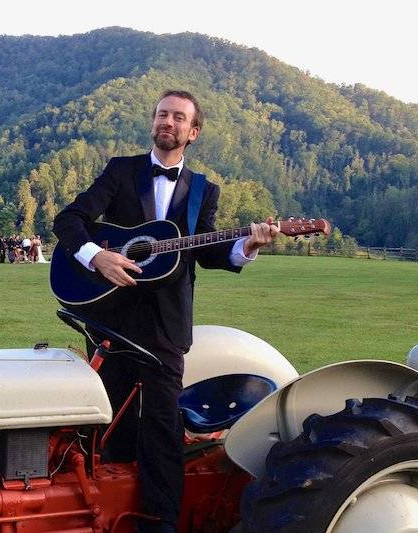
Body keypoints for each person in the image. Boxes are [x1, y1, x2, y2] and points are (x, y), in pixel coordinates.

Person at [53, 89, 278, 533]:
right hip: (109, 316)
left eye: (178, 117)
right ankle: (101, 513)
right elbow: (69, 220)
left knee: (161, 424)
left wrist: (245, 247)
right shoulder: (121, 171)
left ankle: (159, 521)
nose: (167, 122)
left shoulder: (203, 191)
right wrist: (97, 255)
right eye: (161, 114)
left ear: (193, 132)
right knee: (108, 421)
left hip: (166, 326)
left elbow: (207, 252)